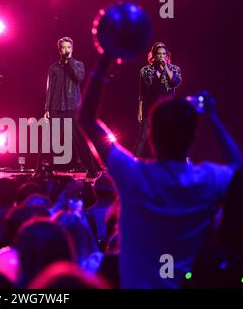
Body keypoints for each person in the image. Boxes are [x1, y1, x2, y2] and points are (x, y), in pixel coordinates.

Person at [78, 54, 242, 288]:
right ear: (193, 138)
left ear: (152, 136)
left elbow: (86, 120)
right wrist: (213, 119)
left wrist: (105, 58)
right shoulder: (206, 180)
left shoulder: (133, 175)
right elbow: (238, 169)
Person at [38, 37, 101, 178]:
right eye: (63, 48)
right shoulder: (54, 68)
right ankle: (40, 171)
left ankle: (91, 170)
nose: (66, 50)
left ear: (72, 49)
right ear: (59, 50)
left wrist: (69, 64)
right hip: (56, 108)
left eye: (68, 47)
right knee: (50, 141)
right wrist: (47, 108)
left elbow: (78, 78)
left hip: (73, 108)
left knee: (80, 141)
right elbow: (50, 89)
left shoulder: (78, 65)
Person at [134, 42, 182, 158]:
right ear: (154, 55)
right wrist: (140, 110)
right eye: (159, 54)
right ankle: (133, 162)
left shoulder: (174, 69)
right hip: (149, 108)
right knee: (143, 136)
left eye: (164, 54)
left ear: (167, 55)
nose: (161, 56)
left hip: (167, 109)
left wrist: (166, 67)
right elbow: (142, 92)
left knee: (168, 135)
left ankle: (171, 163)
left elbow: (175, 83)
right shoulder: (145, 70)